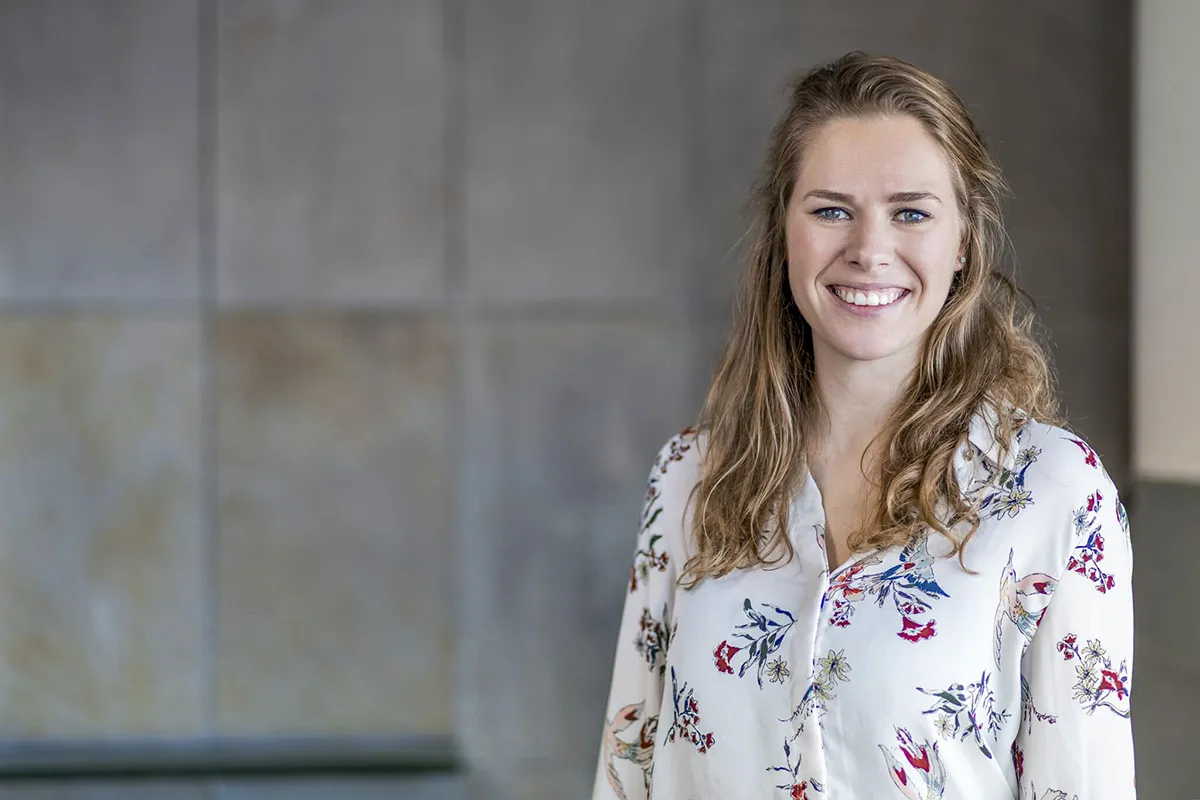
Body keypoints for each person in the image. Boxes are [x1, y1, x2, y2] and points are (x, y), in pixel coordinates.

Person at [591, 52, 1135, 799]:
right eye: (831, 210)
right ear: (785, 232)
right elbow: (629, 772)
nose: (869, 250)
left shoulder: (1054, 493)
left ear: (965, 241)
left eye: (910, 212)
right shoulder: (689, 477)